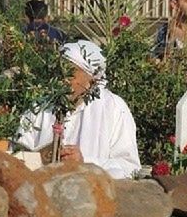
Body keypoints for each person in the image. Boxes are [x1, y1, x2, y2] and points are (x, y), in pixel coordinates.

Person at [16, 40, 141, 179]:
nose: (62, 80)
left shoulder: (114, 108)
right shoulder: (40, 107)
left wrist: (85, 163)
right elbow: (18, 153)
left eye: (70, 74)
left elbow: (130, 167)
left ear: (91, 80)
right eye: (59, 72)